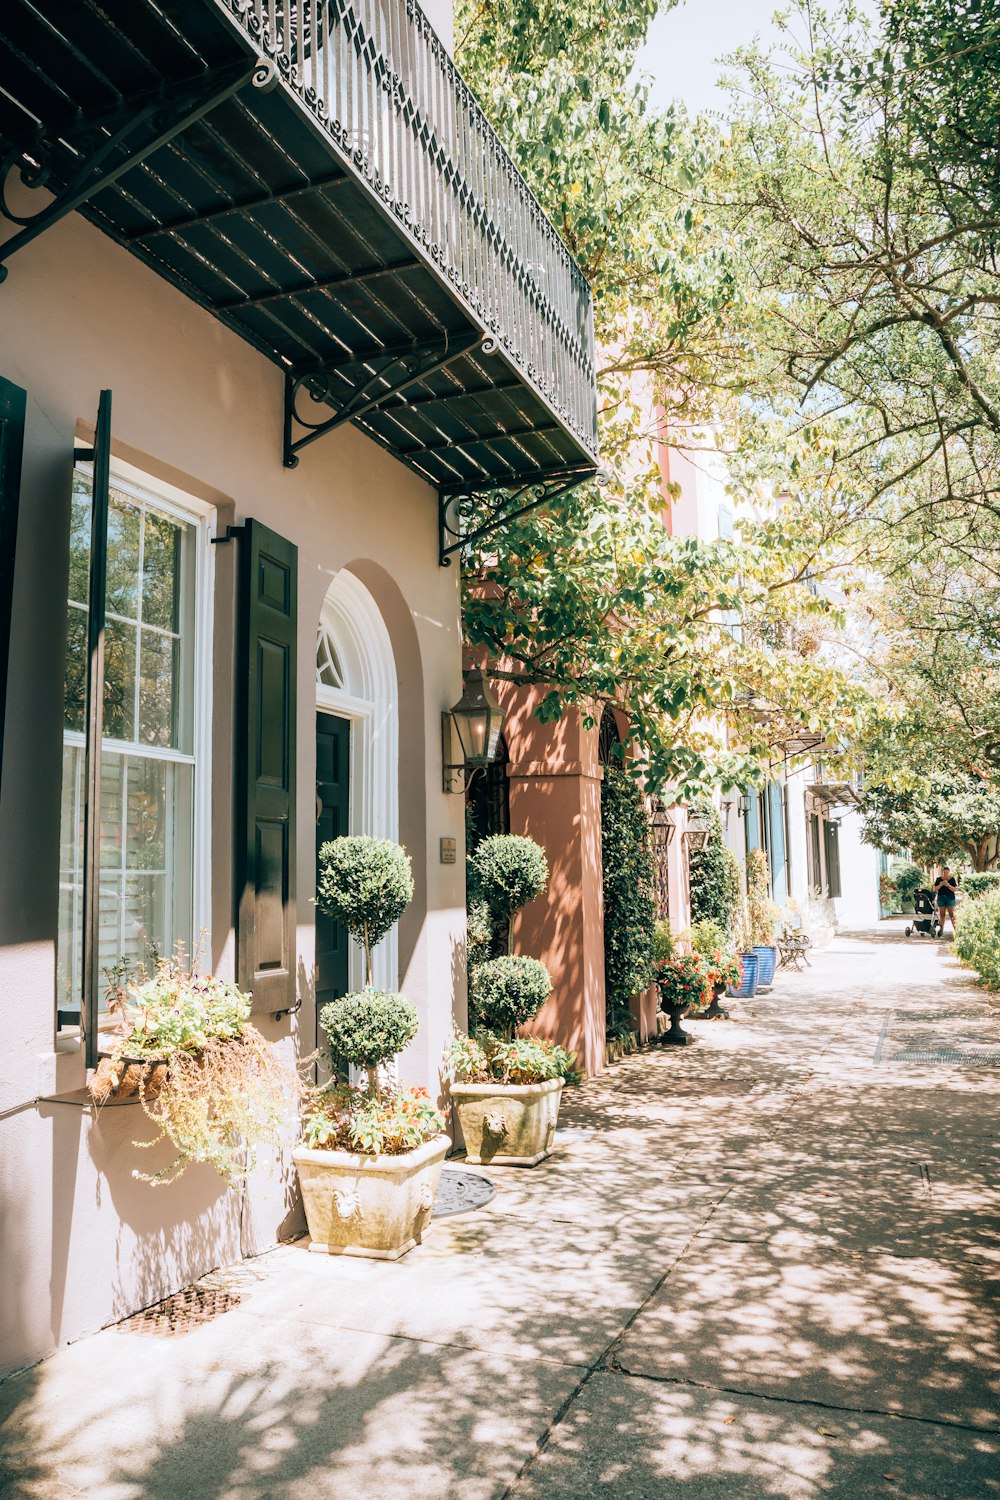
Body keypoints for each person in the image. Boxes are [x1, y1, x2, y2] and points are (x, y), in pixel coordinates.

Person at [934, 867, 959, 935]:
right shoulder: (939, 879)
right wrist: (940, 884)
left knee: (952, 915)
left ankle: (956, 931)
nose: (945, 874)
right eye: (944, 873)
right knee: (942, 915)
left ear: (949, 872)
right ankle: (941, 930)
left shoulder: (952, 879)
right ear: (942, 873)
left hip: (950, 898)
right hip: (941, 898)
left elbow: (954, 889)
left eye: (947, 873)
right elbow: (935, 888)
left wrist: (948, 885)